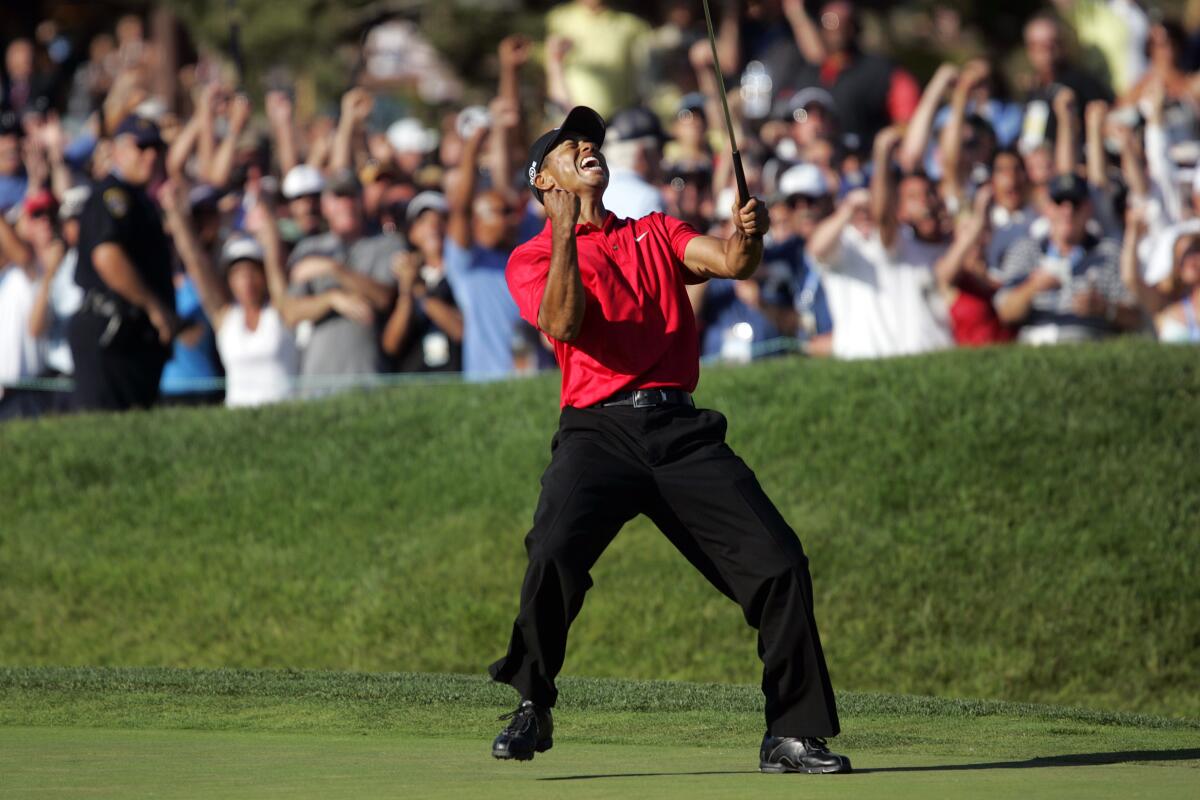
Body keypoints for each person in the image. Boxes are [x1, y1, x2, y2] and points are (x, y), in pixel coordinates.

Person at [488, 106, 849, 775]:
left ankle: (792, 734)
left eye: (592, 141)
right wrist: (566, 234)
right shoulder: (532, 256)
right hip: (597, 429)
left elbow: (731, 261)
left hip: (680, 429)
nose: (588, 148)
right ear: (544, 182)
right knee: (553, 551)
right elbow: (563, 322)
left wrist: (749, 233)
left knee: (780, 562)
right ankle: (532, 703)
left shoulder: (653, 232)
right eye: (571, 146)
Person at [162, 185, 348, 408]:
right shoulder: (225, 317)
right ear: (229, 281)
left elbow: (273, 256)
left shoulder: (280, 311)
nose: (247, 281)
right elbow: (195, 262)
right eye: (239, 274)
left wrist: (266, 210)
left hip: (286, 415)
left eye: (253, 273)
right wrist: (176, 216)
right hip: (237, 419)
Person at [68, 115, 178, 411]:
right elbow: (108, 257)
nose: (151, 155)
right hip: (113, 332)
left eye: (156, 147)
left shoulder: (140, 199)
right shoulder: (113, 195)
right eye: (141, 147)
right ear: (117, 151)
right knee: (107, 432)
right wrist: (155, 308)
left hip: (133, 335)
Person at [287, 169, 402, 389]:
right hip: (316, 379)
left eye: (351, 197)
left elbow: (384, 298)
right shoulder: (309, 248)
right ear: (325, 206)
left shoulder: (386, 243)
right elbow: (291, 313)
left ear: (361, 201)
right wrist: (333, 299)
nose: (346, 205)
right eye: (338, 198)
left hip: (369, 375)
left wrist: (334, 269)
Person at [994, 173, 1138, 343]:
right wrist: (1033, 287)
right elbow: (1005, 312)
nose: (1067, 211)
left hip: (1089, 342)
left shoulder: (1109, 253)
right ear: (1047, 208)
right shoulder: (1025, 250)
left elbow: (1136, 317)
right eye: (1059, 202)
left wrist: (1105, 308)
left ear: (1088, 208)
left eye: (1075, 204)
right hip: (1035, 341)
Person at [381, 191, 463, 373]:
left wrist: (420, 291)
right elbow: (391, 345)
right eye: (423, 221)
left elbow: (461, 331)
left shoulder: (462, 275)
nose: (433, 227)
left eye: (440, 219)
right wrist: (406, 291)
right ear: (412, 233)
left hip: (456, 378)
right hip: (415, 381)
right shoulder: (404, 276)